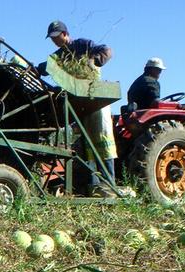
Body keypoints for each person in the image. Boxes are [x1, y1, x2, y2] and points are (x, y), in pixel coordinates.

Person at [37, 20, 118, 197]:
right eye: (52, 39)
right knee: (86, 143)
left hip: (95, 97)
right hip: (79, 102)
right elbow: (47, 67)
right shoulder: (59, 55)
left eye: (56, 37)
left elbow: (107, 51)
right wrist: (35, 69)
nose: (55, 41)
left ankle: (109, 185)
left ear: (65, 34)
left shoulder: (82, 45)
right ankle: (94, 185)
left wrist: (93, 61)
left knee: (102, 139)